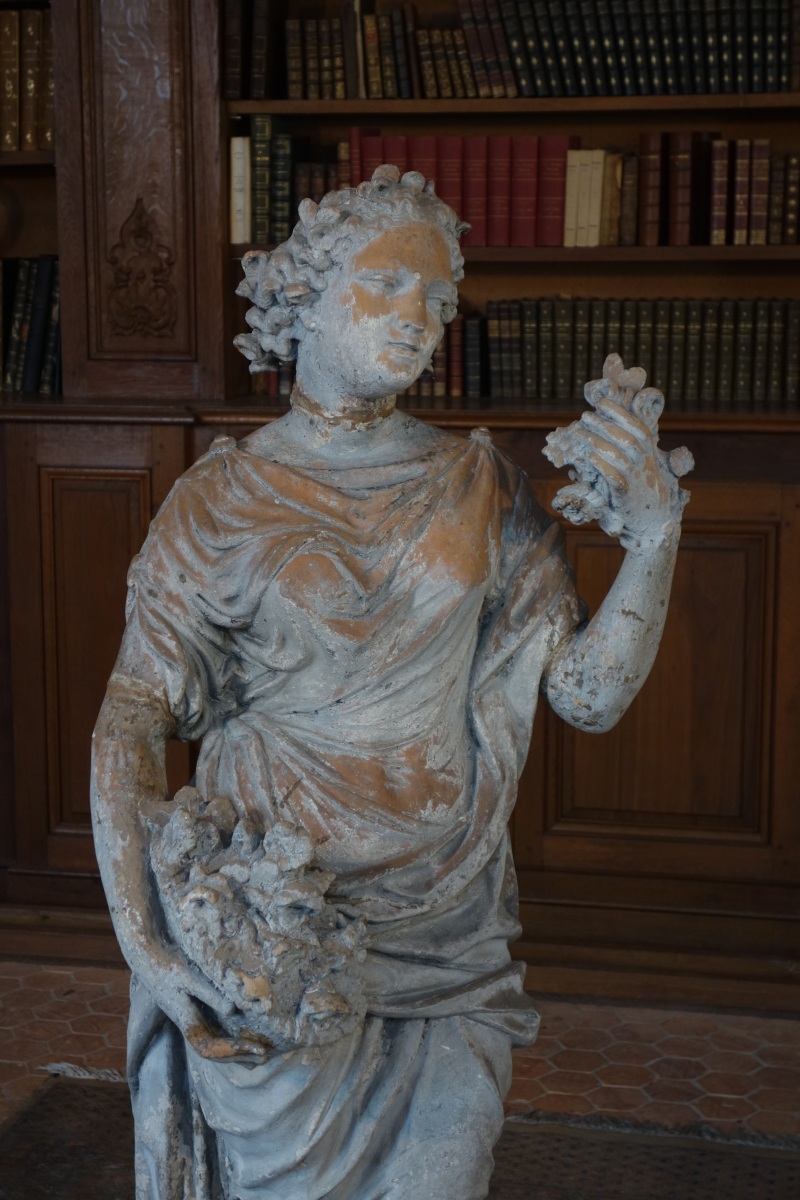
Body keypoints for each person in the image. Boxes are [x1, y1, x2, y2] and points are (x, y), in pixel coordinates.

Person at [91, 166, 691, 1200]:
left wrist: (653, 537)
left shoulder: (480, 484)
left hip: (448, 918)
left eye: (438, 300)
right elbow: (131, 718)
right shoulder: (218, 499)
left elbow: (587, 696)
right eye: (385, 284)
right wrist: (148, 942)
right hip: (276, 923)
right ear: (305, 299)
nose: (417, 317)